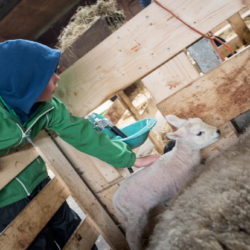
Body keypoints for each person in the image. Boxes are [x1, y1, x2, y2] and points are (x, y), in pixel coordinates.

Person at [0, 39, 160, 250]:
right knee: (35, 244)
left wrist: (130, 159)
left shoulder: (49, 108)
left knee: (72, 231)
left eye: (54, 71)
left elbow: (82, 133)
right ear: (26, 84)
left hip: (39, 180)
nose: (58, 78)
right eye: (47, 76)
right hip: (5, 201)